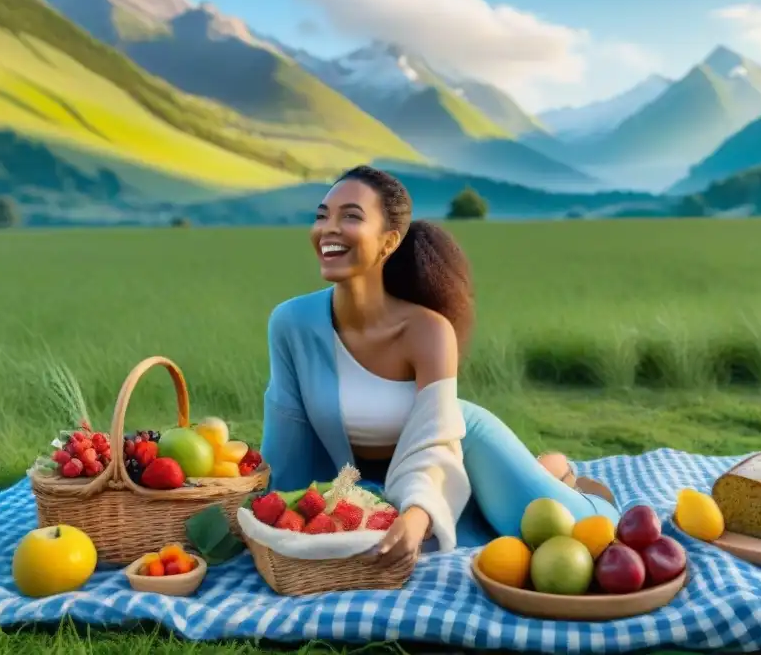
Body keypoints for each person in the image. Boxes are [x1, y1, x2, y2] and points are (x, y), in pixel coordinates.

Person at [260, 165, 619, 568]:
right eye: (322, 215)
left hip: (457, 444)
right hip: (372, 477)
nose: (329, 228)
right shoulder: (291, 323)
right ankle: (547, 468)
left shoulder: (429, 332)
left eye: (351, 217)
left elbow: (434, 440)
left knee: (560, 532)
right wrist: (271, 514)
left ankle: (562, 477)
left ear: (389, 241)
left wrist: (417, 514)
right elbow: (286, 443)